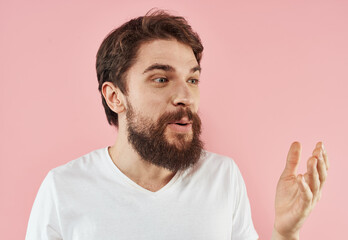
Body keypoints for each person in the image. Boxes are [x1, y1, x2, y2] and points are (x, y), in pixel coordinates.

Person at [25, 10, 329, 240]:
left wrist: (285, 232)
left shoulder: (223, 177)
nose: (186, 97)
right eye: (161, 79)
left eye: (193, 79)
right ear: (115, 97)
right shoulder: (63, 188)